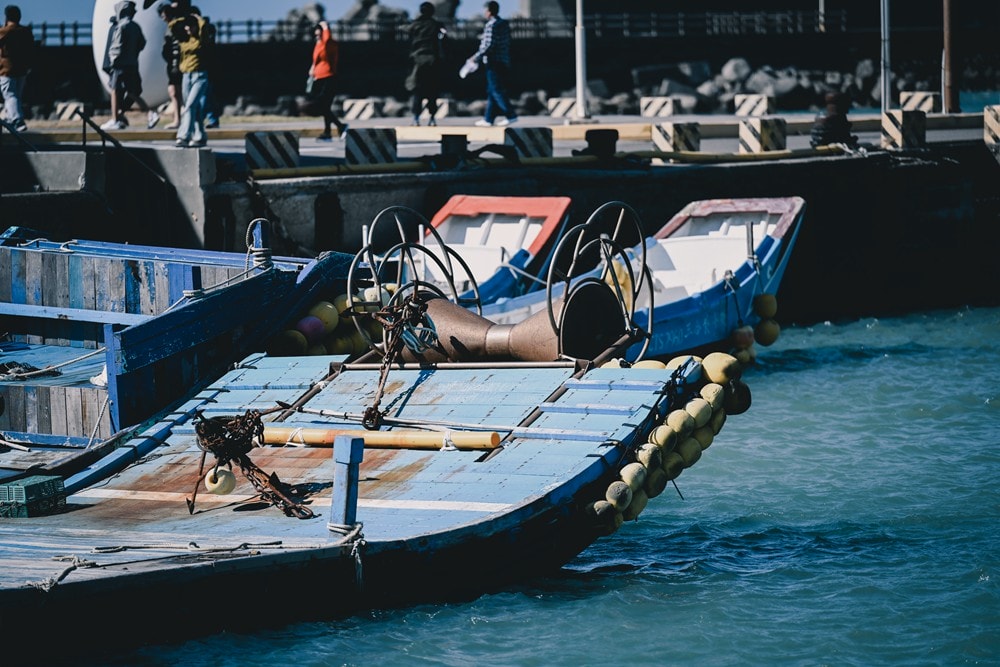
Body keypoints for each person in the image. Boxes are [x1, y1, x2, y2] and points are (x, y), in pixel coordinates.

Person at [102, 1, 159, 131]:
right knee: (133, 92)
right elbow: (142, 44)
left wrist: (112, 61)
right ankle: (150, 113)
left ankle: (115, 119)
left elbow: (116, 47)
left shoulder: (121, 26)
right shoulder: (135, 26)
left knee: (115, 90)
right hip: (132, 64)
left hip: (119, 65)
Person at [466, 1, 517, 127]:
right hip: (503, 60)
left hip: (493, 61)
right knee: (492, 90)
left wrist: (475, 57)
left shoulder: (491, 25)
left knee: (496, 89)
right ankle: (488, 119)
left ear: (488, 11)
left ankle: (511, 115)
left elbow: (488, 45)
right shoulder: (504, 24)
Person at [170, 7, 209, 147]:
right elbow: (172, 25)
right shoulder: (184, 41)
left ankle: (183, 136)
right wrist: (184, 17)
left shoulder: (201, 39)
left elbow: (204, 27)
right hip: (186, 76)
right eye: (186, 26)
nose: (187, 28)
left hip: (199, 76)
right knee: (194, 107)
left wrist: (198, 18)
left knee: (190, 106)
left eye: (190, 26)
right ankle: (200, 136)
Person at [404, 2, 447, 127]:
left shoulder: (415, 25)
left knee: (417, 90)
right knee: (432, 90)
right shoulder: (436, 25)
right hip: (433, 61)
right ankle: (432, 118)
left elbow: (405, 30)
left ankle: (416, 118)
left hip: (417, 61)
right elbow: (445, 39)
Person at [309, 19, 348, 140]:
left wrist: (325, 26)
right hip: (318, 78)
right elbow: (316, 60)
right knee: (324, 107)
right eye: (316, 31)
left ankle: (339, 126)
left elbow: (327, 39)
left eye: (319, 31)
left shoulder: (329, 42)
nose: (317, 33)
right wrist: (312, 69)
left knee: (323, 106)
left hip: (329, 78)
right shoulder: (318, 43)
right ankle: (328, 131)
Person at [0, 4, 34, 132]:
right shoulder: (25, 31)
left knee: (10, 95)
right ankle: (10, 118)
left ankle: (17, 120)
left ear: (7, 17)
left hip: (6, 69)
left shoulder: (5, 31)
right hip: (22, 69)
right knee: (17, 95)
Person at [157, 2, 182, 129]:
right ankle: (177, 119)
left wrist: (175, 62)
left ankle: (178, 119)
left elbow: (177, 46)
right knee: (174, 92)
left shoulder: (175, 25)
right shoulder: (170, 26)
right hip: (172, 62)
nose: (162, 16)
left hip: (175, 63)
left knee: (175, 91)